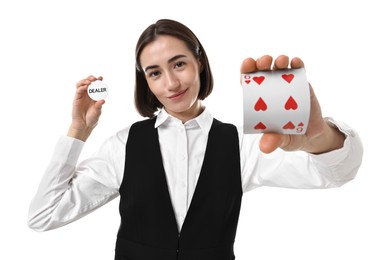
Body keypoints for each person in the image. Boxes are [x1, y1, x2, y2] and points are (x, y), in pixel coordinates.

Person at [28, 19, 363, 260]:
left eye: (179, 64)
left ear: (199, 63)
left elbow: (335, 174)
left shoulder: (243, 145)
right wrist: (78, 131)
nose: (171, 83)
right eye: (155, 73)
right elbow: (43, 215)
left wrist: (317, 139)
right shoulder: (123, 145)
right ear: (146, 82)